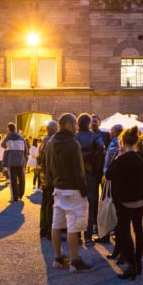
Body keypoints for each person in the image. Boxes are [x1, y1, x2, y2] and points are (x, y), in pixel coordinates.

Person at [43, 113, 94, 272]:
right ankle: (75, 261)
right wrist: (84, 191)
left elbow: (46, 166)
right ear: (68, 125)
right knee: (73, 226)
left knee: (56, 224)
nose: (77, 127)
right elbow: (79, 171)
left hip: (58, 189)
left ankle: (58, 258)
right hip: (73, 189)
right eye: (75, 124)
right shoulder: (73, 144)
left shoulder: (51, 142)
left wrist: (52, 183)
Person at [106, 126, 143, 280]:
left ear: (122, 142)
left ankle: (131, 266)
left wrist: (117, 157)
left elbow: (108, 174)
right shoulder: (141, 156)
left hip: (126, 200)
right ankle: (138, 262)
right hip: (140, 198)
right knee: (138, 229)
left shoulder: (122, 159)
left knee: (124, 231)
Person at [75, 113, 105, 244]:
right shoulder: (94, 136)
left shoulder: (74, 137)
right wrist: (93, 160)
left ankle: (76, 235)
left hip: (77, 174)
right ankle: (87, 236)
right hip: (90, 173)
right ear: (88, 123)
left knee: (76, 205)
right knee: (91, 205)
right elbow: (101, 147)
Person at [101, 123, 123, 250]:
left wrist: (106, 175)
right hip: (118, 180)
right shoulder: (120, 142)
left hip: (111, 179)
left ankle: (110, 233)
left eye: (111, 131)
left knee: (110, 206)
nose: (109, 133)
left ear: (114, 132)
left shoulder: (115, 144)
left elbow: (109, 163)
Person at [39, 121, 58, 239]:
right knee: (50, 203)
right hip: (48, 176)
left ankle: (43, 227)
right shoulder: (50, 141)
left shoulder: (44, 140)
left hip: (44, 175)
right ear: (52, 129)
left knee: (45, 202)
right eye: (57, 127)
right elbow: (49, 161)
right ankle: (48, 229)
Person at [1, 122, 28, 202]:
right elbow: (26, 150)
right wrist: (25, 159)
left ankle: (15, 197)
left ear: (9, 129)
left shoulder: (7, 137)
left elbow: (2, 145)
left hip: (11, 161)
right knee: (22, 178)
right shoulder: (21, 138)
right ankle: (21, 194)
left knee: (13, 180)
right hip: (20, 161)